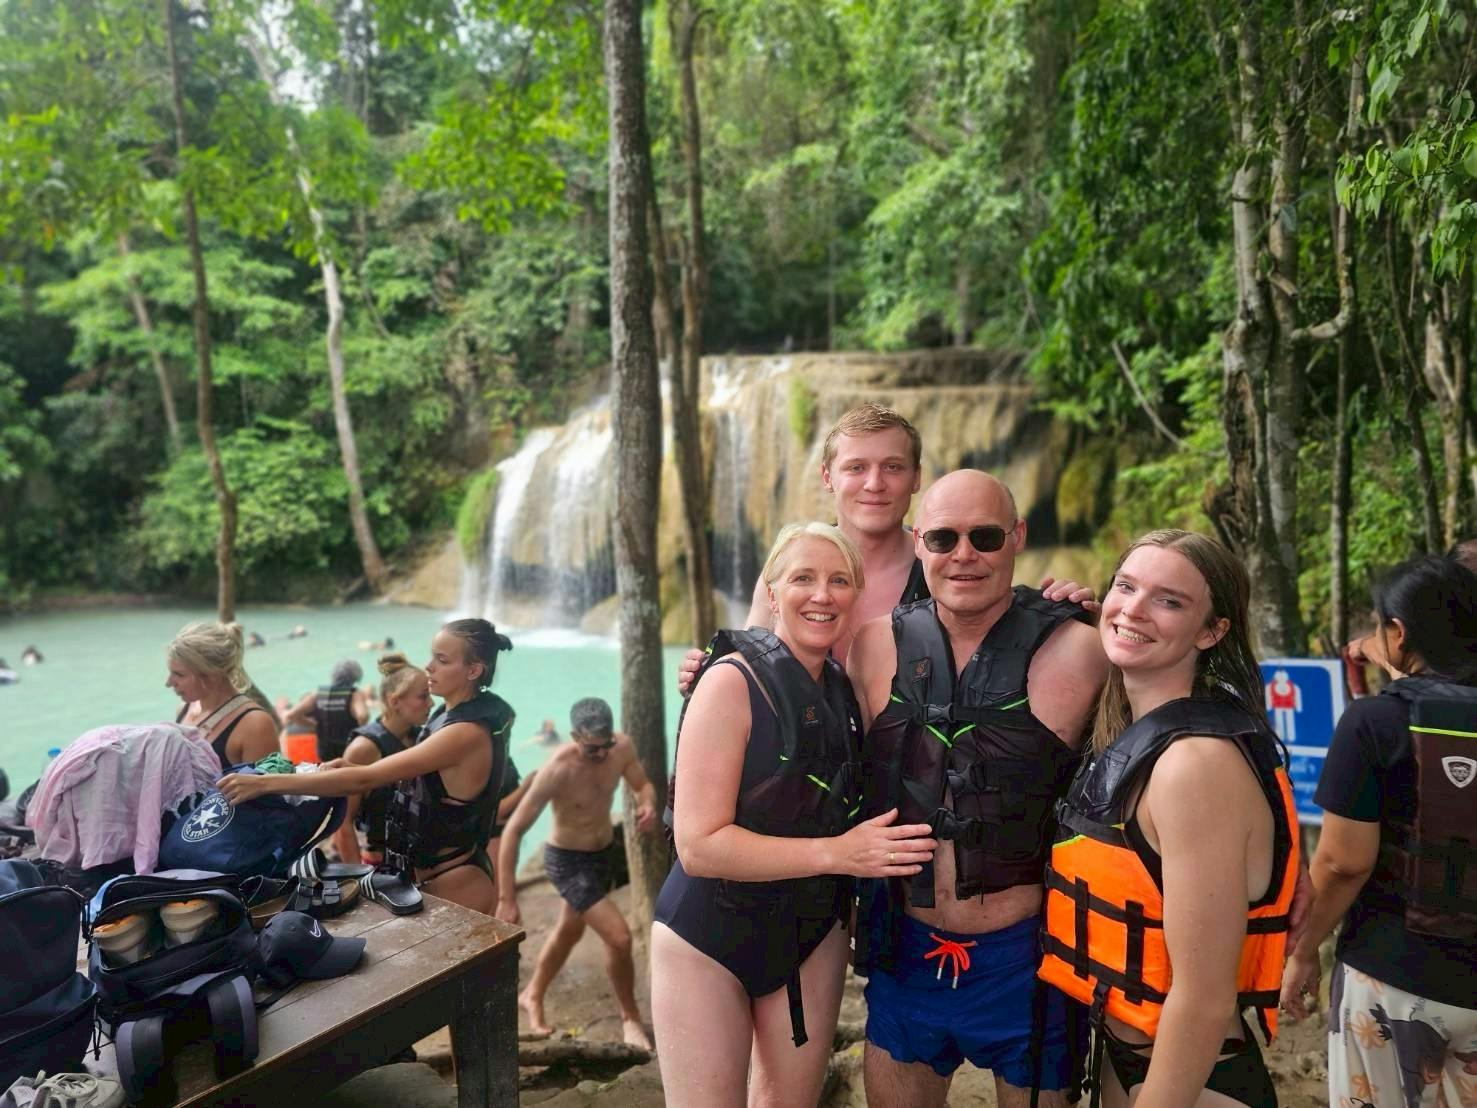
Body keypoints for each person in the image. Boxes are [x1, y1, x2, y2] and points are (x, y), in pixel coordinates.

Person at [651, 522, 938, 1108]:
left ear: (857, 596)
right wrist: (839, 854)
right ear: (772, 592)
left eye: (839, 581)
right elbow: (698, 846)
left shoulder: (844, 686)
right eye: (803, 578)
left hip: (811, 934)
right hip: (710, 934)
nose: (822, 595)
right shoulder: (729, 682)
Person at [846, 471, 1106, 1108]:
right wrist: (716, 668)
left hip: (1030, 959)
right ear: (918, 542)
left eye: (985, 537)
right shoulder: (871, 646)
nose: (964, 555)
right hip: (904, 950)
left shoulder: (1084, 649)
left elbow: (1164, 751)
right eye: (943, 538)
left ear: (1017, 537)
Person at [1037, 529, 1299, 1107]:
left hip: (1192, 1076)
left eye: (1169, 601)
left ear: (1212, 631)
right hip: (1128, 1053)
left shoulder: (1193, 765)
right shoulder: (1134, 735)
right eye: (1125, 586)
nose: (1133, 608)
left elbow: (1204, 999)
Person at [676, 404, 1095, 689]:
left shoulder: (946, 564)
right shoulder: (790, 570)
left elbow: (1006, 637)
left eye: (892, 467)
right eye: (856, 468)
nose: (874, 484)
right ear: (827, 477)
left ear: (916, 477)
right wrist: (711, 680)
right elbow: (754, 672)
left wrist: (1066, 614)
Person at [1280, 555, 1477, 1108]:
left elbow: (1344, 863)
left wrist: (1304, 951)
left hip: (1392, 977)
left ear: (1399, 632)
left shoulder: (1374, 723)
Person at [219, 618, 515, 915]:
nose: (428, 666)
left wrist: (264, 784)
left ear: (473, 670)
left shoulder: (464, 733)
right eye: (432, 656)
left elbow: (364, 780)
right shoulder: (446, 714)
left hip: (455, 880)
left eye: (442, 660)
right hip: (424, 876)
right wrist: (349, 765)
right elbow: (427, 783)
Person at [496, 698, 659, 1050]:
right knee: (619, 938)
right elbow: (513, 831)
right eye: (591, 748)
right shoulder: (558, 770)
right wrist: (507, 898)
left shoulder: (621, 748)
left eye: (605, 746)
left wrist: (647, 803)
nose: (600, 754)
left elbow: (642, 784)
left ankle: (532, 994)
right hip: (567, 861)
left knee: (569, 930)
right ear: (574, 737)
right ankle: (630, 1018)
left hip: (602, 855)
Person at [331, 652, 434, 867]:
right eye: (423, 696)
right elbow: (342, 822)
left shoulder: (423, 739)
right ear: (395, 701)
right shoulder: (363, 749)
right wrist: (358, 878)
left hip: (419, 862)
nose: (431, 703)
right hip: (379, 864)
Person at [167, 622, 279, 773]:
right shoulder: (185, 709)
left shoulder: (255, 725)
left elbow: (267, 786)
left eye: (179, 675)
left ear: (211, 674)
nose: (169, 683)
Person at [283, 660, 370, 763]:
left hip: (325, 751)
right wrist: (361, 734)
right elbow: (362, 716)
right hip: (348, 748)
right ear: (356, 676)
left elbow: (292, 715)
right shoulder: (354, 694)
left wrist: (315, 726)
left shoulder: (318, 694)